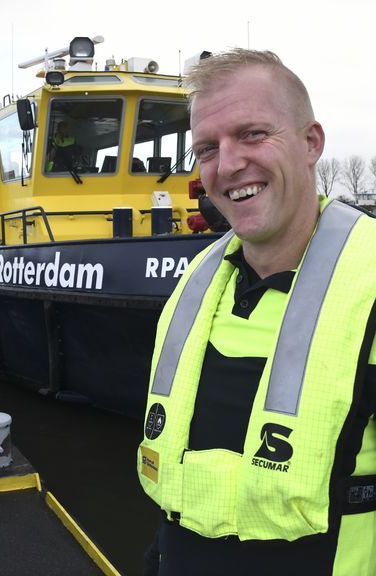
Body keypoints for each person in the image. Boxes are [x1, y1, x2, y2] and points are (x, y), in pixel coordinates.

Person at [138, 49, 376, 575]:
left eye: (252, 134)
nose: (226, 166)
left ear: (311, 143)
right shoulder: (195, 286)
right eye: (207, 148)